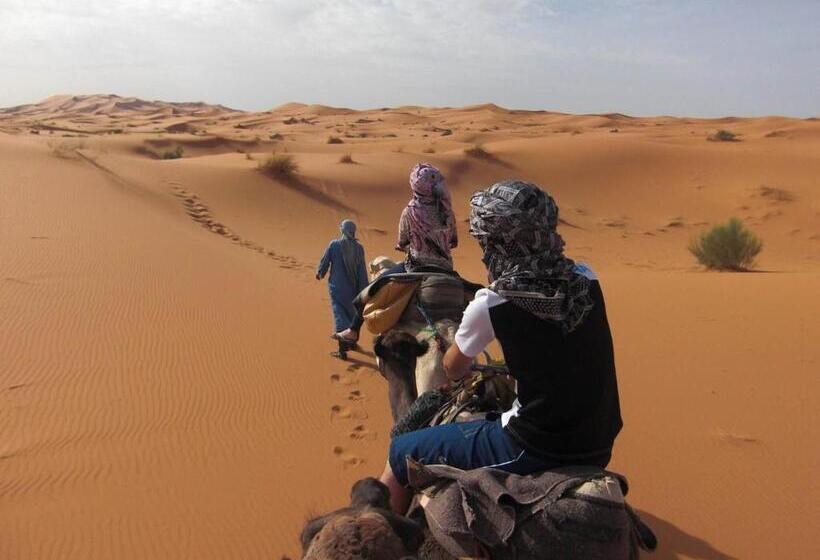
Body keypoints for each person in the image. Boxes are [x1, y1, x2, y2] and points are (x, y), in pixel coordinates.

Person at [379, 180, 623, 514]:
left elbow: (453, 367)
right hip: (600, 441)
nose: (483, 252)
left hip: (534, 446)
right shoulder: (586, 278)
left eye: (485, 243)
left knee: (401, 451)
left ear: (497, 242)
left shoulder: (494, 301)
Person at [334, 163, 458, 343]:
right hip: (446, 269)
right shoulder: (447, 211)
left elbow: (402, 242)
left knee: (372, 289)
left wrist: (407, 245)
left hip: (415, 267)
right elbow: (453, 241)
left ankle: (353, 331)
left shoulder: (410, 212)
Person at [316, 220, 368, 354]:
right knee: (353, 315)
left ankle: (342, 350)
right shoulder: (359, 248)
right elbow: (362, 270)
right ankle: (353, 342)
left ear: (342, 230)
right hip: (354, 289)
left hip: (337, 287)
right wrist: (365, 289)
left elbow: (325, 261)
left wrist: (320, 273)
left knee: (339, 315)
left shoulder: (334, 245)